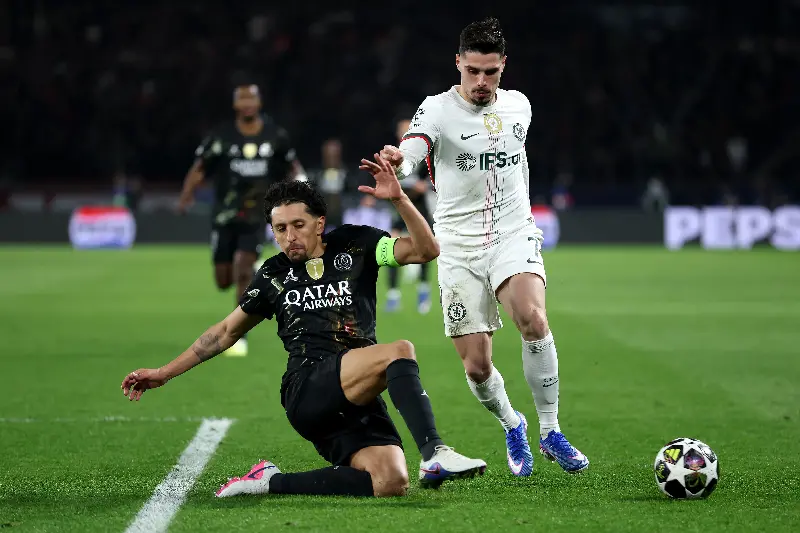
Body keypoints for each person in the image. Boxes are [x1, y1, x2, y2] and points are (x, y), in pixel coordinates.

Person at [121, 157, 487, 498]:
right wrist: (164, 373)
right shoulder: (272, 274)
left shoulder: (356, 245)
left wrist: (399, 199)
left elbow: (426, 251)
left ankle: (269, 481)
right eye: (280, 228)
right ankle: (434, 452)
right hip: (308, 388)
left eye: (298, 225)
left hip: (357, 389)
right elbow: (224, 332)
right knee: (399, 351)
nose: (289, 236)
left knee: (389, 481)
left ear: (319, 224)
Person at [373, 17, 589, 477]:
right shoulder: (436, 109)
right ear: (458, 63)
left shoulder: (519, 107)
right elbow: (415, 145)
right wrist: (399, 159)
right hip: (456, 245)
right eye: (472, 70)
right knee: (476, 365)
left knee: (533, 318)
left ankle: (551, 430)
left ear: (503, 65)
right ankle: (513, 424)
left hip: (512, 233)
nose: (481, 81)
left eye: (490, 72)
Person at [177, 83, 307, 357]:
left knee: (243, 270)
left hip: (257, 216)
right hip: (224, 216)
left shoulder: (275, 136)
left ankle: (238, 336)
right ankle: (250, 271)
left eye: (252, 99)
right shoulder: (222, 136)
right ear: (235, 104)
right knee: (223, 280)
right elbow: (200, 167)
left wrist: (303, 192)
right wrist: (187, 195)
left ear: (259, 103)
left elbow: (293, 167)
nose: (247, 104)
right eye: (242, 99)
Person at [386, 112, 435, 314]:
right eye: (402, 129)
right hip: (399, 209)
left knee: (425, 249)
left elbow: (433, 179)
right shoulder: (391, 154)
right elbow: (388, 181)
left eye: (409, 128)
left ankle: (423, 292)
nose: (405, 132)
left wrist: (424, 185)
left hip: (420, 209)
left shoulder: (425, 154)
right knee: (392, 249)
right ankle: (393, 295)